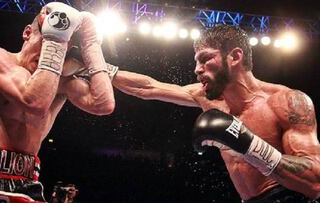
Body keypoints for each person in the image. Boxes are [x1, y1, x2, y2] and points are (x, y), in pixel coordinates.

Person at [111, 25, 320, 202]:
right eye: (196, 61)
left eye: (205, 59)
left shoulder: (287, 101)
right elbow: (148, 88)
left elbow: (315, 180)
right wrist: (96, 68)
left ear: (235, 57)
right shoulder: (205, 97)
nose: (197, 69)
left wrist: (250, 145)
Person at [0, 2, 114, 202]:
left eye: (61, 47)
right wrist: (56, 40)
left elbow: (103, 104)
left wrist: (92, 46)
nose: (51, 50)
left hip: (26, 183)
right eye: (46, 40)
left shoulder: (59, 81)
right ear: (26, 33)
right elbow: (34, 101)